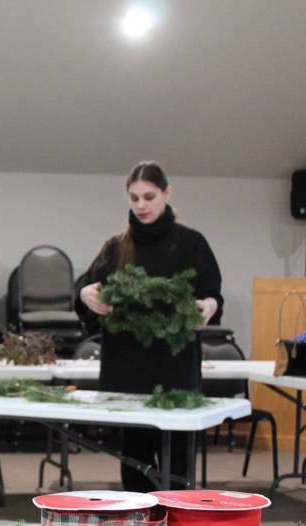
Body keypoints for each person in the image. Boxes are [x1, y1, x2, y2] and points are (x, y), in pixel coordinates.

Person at [76, 161, 222, 491]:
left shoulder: (191, 243)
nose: (141, 205)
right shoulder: (117, 247)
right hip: (128, 369)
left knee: (179, 468)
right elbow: (85, 287)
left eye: (149, 196)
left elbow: (212, 293)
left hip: (176, 370)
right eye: (134, 198)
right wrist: (85, 294)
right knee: (136, 464)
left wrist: (208, 307)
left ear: (167, 193)